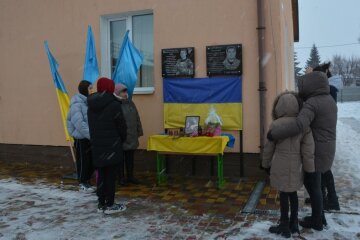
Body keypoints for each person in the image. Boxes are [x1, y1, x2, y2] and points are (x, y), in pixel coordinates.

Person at [267, 70, 337, 231]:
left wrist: (275, 134)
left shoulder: (313, 103)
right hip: (327, 147)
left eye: (303, 85)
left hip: (316, 149)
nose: (301, 88)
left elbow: (299, 125)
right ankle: (319, 217)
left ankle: (317, 221)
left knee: (313, 186)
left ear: (310, 85)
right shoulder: (329, 100)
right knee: (317, 186)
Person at [262, 92, 315, 238]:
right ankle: (294, 224)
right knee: (293, 194)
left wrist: (265, 164)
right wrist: (309, 169)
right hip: (296, 165)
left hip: (280, 164)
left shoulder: (276, 124)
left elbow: (269, 148)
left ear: (278, 107)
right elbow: (308, 150)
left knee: (283, 194)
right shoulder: (302, 125)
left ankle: (284, 225)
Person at [87, 77, 127, 214]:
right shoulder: (114, 104)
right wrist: (120, 140)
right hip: (112, 147)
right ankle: (110, 204)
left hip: (97, 147)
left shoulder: (91, 105)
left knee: (101, 177)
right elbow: (122, 127)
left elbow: (92, 127)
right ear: (110, 88)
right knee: (110, 176)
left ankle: (101, 203)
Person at [312, 63, 340, 211]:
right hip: (326, 134)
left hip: (324, 135)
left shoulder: (329, 91)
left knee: (323, 169)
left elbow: (323, 112)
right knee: (323, 168)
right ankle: (324, 198)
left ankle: (330, 200)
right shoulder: (329, 90)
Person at [67, 80, 95, 192]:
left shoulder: (87, 103)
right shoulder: (77, 105)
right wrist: (91, 135)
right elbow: (79, 123)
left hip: (88, 137)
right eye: (90, 88)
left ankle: (87, 180)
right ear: (84, 89)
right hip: (81, 138)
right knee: (83, 161)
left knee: (91, 160)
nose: (92, 90)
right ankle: (83, 182)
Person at [114, 83, 143, 185]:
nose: (125, 93)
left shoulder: (130, 103)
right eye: (123, 91)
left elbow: (137, 117)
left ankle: (130, 176)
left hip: (132, 136)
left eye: (126, 91)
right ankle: (121, 178)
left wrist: (139, 130)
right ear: (118, 93)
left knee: (130, 158)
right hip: (121, 137)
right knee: (120, 159)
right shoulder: (116, 104)